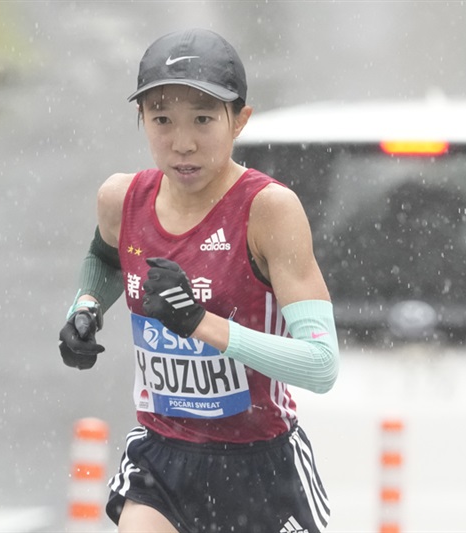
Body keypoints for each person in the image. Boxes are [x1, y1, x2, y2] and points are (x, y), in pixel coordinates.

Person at [58, 28, 339, 533]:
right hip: (163, 458)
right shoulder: (121, 199)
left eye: (204, 120)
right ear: (140, 119)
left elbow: (321, 366)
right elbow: (103, 261)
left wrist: (200, 324)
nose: (182, 144)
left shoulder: (268, 210)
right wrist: (85, 308)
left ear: (240, 122)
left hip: (261, 465)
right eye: (162, 120)